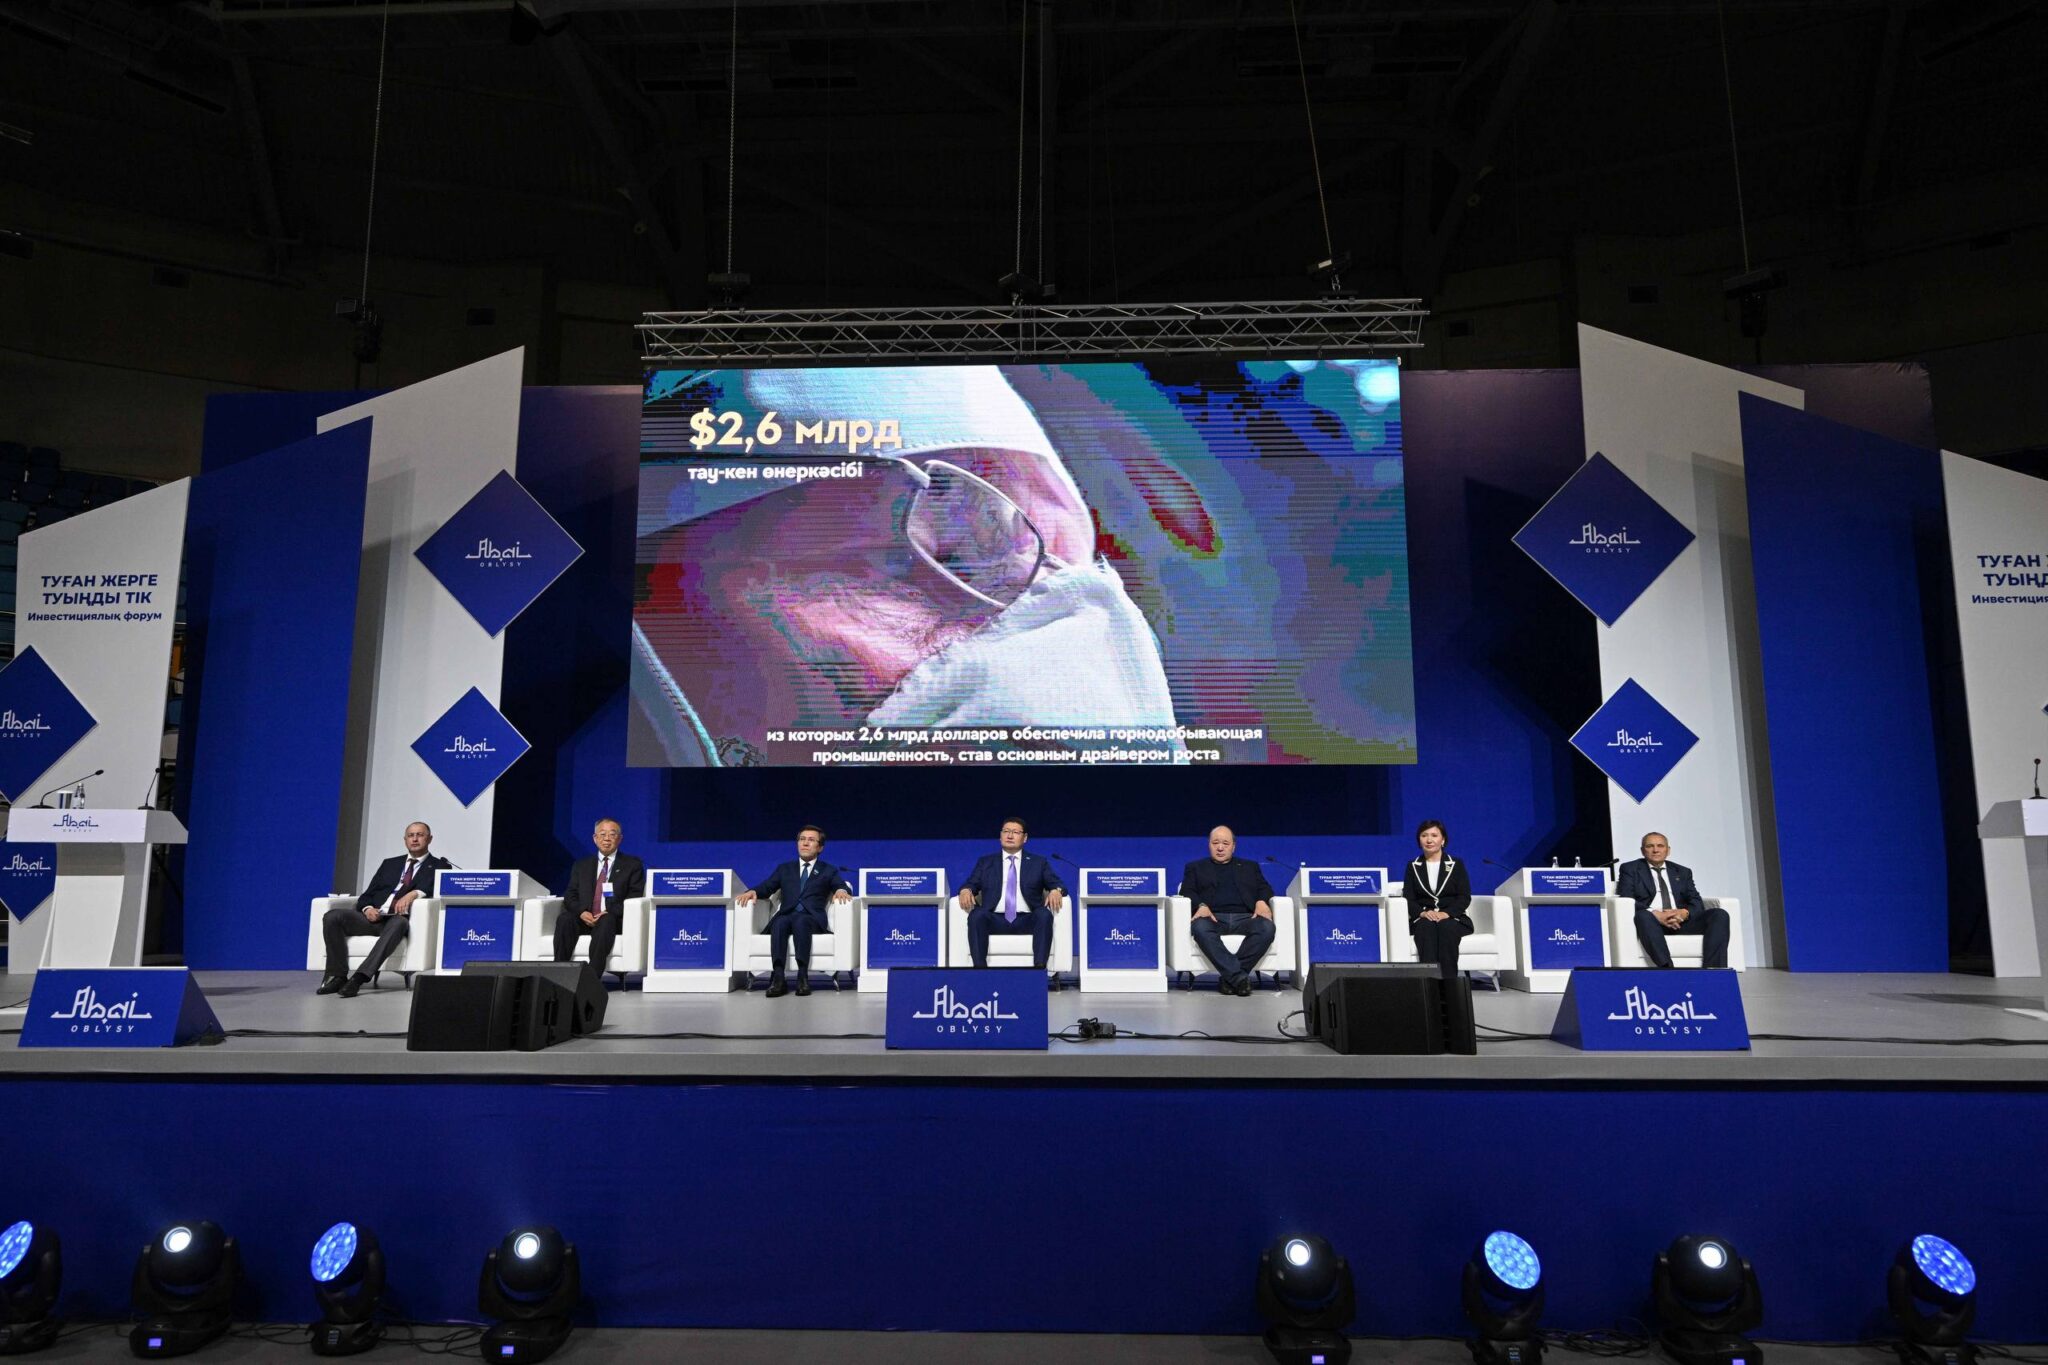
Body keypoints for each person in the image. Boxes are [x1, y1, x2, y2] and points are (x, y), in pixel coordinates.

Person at [319, 822, 450, 997]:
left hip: (399, 921)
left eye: (420, 835)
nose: (415, 839)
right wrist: (367, 909)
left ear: (429, 839)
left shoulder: (440, 866)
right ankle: (338, 976)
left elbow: (434, 890)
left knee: (398, 922)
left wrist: (414, 894)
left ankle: (359, 978)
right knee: (332, 916)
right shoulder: (390, 864)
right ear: (405, 840)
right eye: (411, 835)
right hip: (374, 918)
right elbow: (367, 895)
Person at [735, 824, 854, 996]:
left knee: (801, 920)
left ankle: (802, 977)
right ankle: (778, 979)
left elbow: (841, 885)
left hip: (811, 918)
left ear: (820, 847)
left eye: (811, 840)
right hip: (786, 915)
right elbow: (767, 887)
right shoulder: (785, 869)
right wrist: (753, 891)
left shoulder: (828, 870)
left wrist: (842, 890)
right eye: (802, 839)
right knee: (779, 922)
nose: (805, 843)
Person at [957, 817, 1066, 979]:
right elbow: (971, 883)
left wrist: (1056, 890)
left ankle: (1038, 972)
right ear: (1000, 836)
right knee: (977, 915)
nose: (1009, 836)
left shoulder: (1038, 863)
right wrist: (966, 890)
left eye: (1015, 832)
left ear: (1025, 838)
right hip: (995, 919)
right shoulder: (986, 862)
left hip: (1027, 919)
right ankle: (980, 973)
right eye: (1006, 831)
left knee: (1044, 914)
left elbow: (1058, 884)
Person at [1177, 826, 1275, 996]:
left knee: (1266, 928)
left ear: (1233, 846)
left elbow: (1265, 888)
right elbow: (1187, 890)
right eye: (1215, 843)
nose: (1220, 848)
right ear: (1209, 845)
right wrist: (1201, 905)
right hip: (1213, 918)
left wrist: (1261, 900)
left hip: (1246, 918)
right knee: (1200, 928)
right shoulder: (1195, 867)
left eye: (1225, 843)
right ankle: (1239, 978)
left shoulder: (1249, 866)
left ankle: (1230, 978)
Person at [553, 817, 647, 982]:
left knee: (607, 920)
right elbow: (570, 895)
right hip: (584, 918)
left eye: (612, 834)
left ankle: (591, 979)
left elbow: (634, 897)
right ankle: (558, 975)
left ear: (620, 839)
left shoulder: (632, 865)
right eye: (602, 834)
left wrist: (609, 911)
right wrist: (581, 912)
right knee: (565, 919)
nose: (607, 839)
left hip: (612, 919)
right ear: (595, 838)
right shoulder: (581, 865)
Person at [1617, 832, 1729, 968]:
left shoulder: (1682, 871)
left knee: (1719, 914)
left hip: (1680, 921)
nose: (1655, 850)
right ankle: (1668, 970)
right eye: (1650, 846)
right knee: (1643, 915)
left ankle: (1714, 971)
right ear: (1642, 850)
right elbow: (1626, 898)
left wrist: (1684, 913)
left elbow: (1695, 901)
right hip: (1651, 923)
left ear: (1668, 850)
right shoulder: (1630, 869)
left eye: (1660, 846)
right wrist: (1656, 914)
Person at [1405, 819, 1472, 981]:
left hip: (1452, 917)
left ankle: (1449, 984)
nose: (1429, 840)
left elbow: (1464, 896)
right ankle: (1428, 985)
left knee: (1446, 928)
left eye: (1434, 835)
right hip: (1424, 918)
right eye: (1424, 835)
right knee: (1426, 928)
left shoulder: (1456, 864)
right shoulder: (1412, 865)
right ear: (1419, 840)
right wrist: (1422, 913)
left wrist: (1446, 913)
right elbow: (1408, 898)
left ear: (1443, 840)